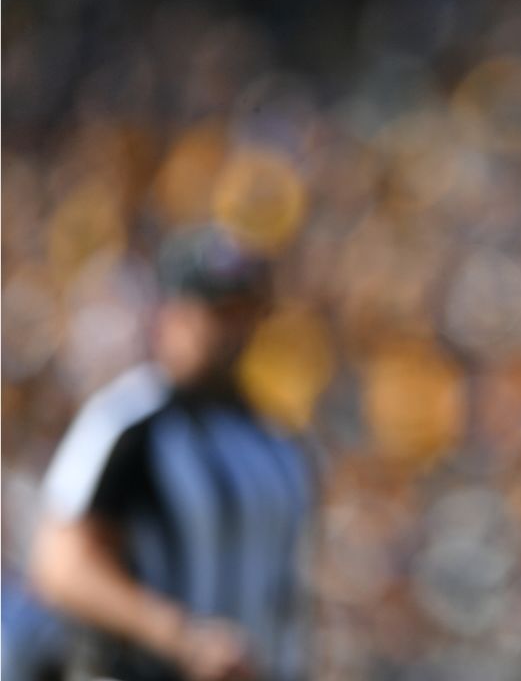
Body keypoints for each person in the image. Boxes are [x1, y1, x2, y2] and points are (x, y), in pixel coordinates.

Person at [29, 227, 315, 681]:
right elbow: (62, 566)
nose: (233, 329)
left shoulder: (274, 440)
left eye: (244, 311)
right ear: (170, 312)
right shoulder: (129, 421)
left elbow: (281, 588)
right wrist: (179, 636)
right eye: (217, 310)